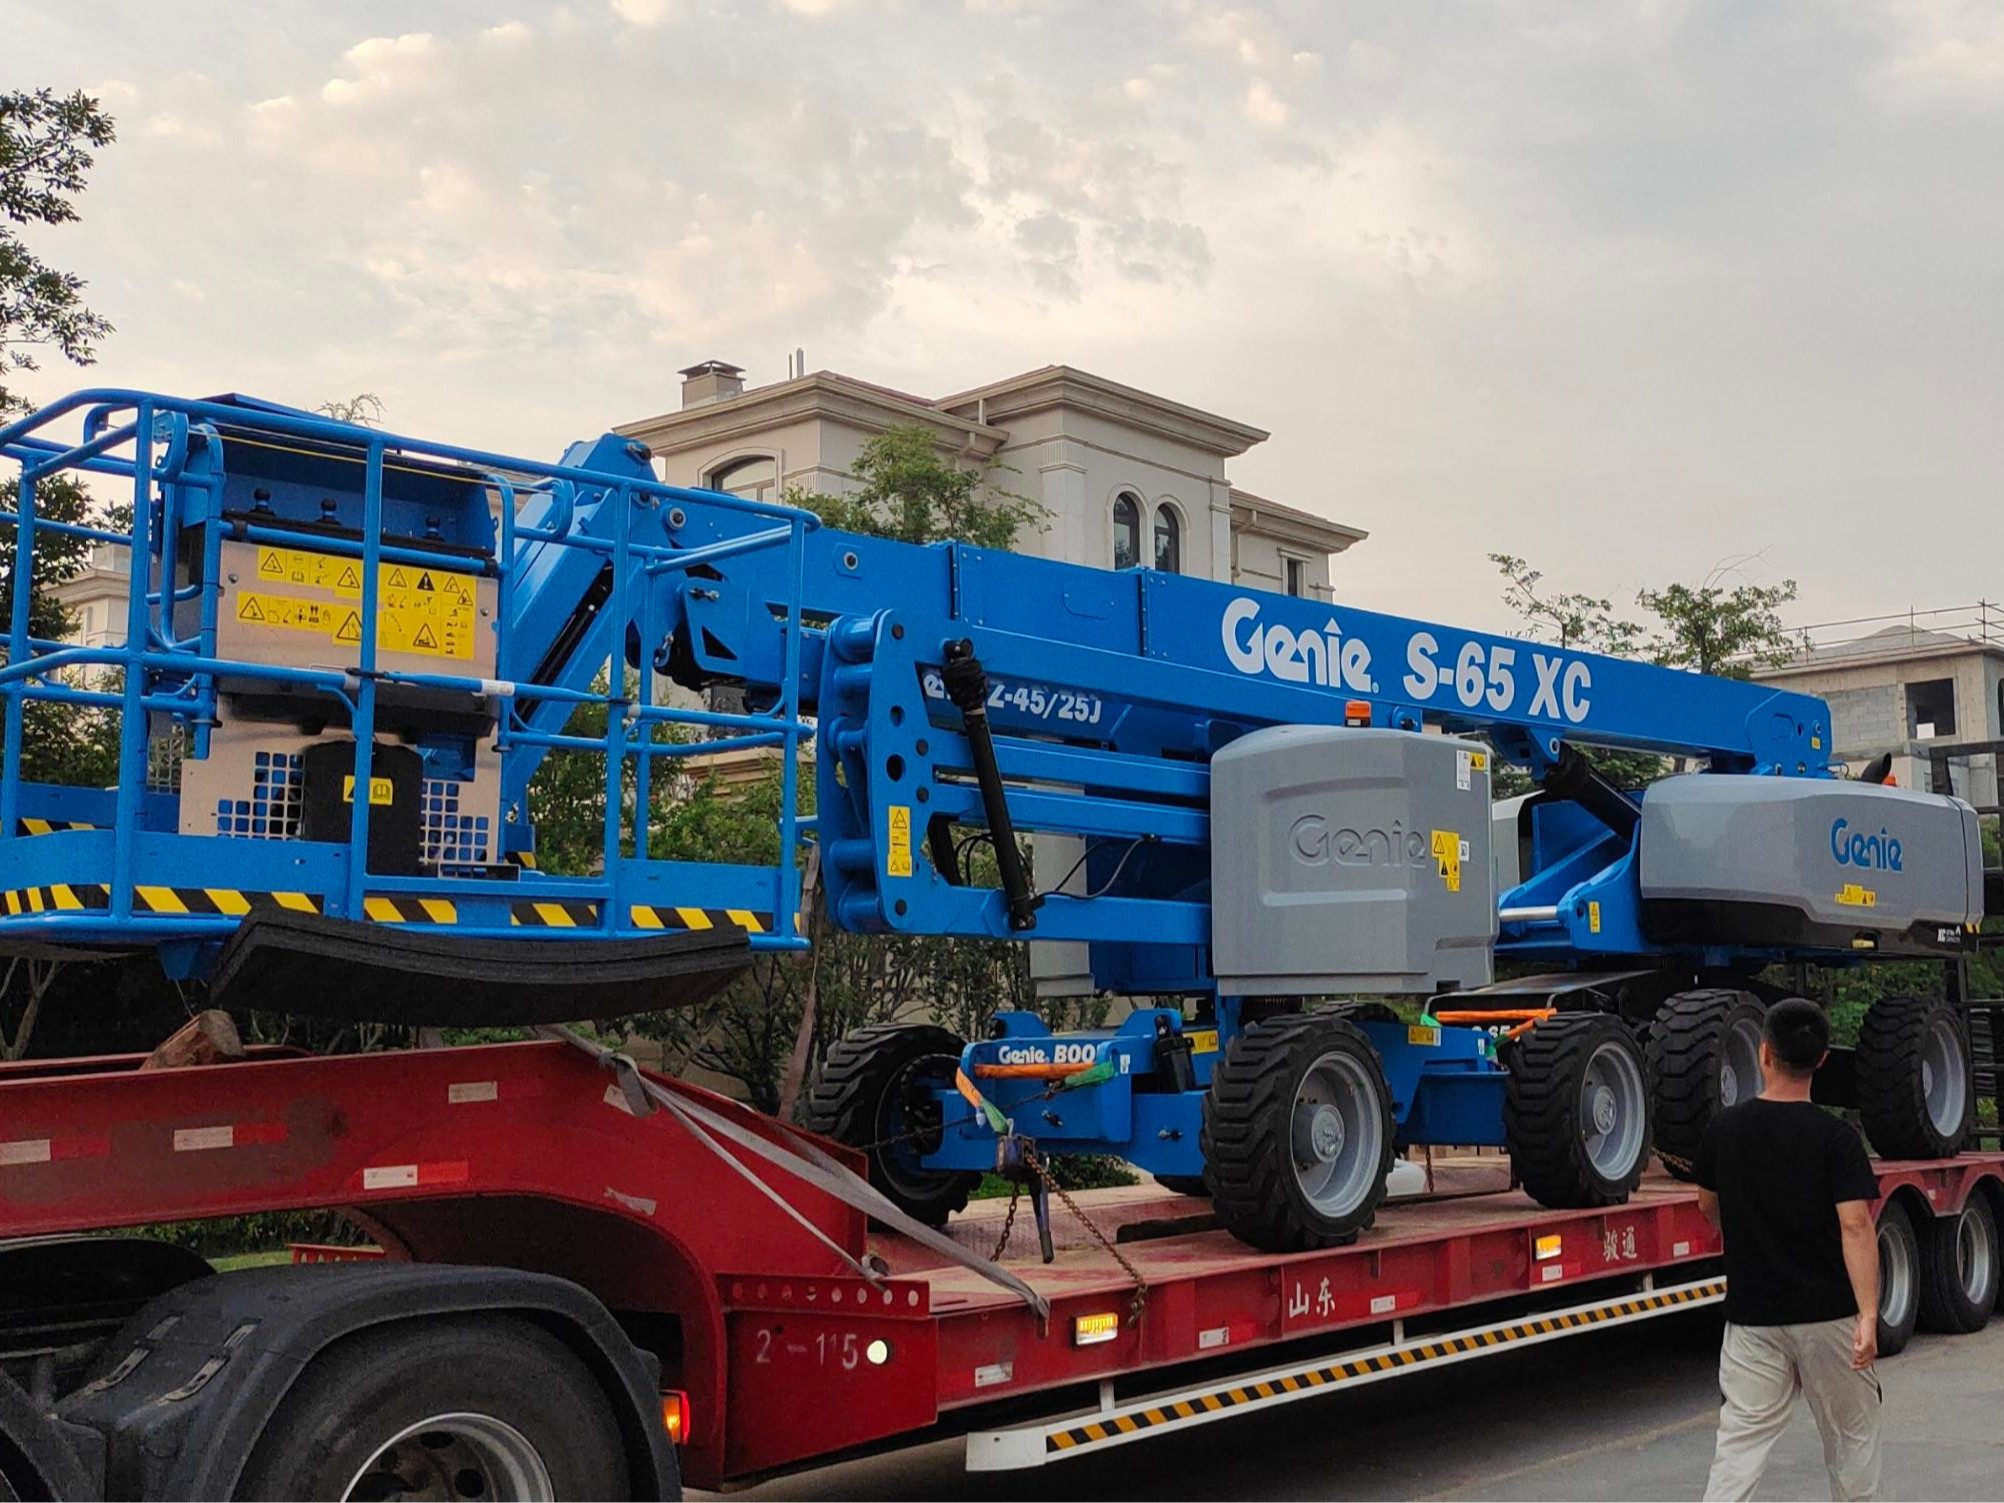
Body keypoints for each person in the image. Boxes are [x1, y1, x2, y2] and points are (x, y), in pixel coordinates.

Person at [1696, 997, 1883, 1502]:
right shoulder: (1837, 1138)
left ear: (1764, 1055)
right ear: (1822, 1060)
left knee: (1739, 1444)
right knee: (1851, 1438)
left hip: (1752, 1317)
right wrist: (1868, 1315)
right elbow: (1856, 1227)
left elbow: (1708, 1206)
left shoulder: (1724, 1132)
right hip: (1828, 1317)